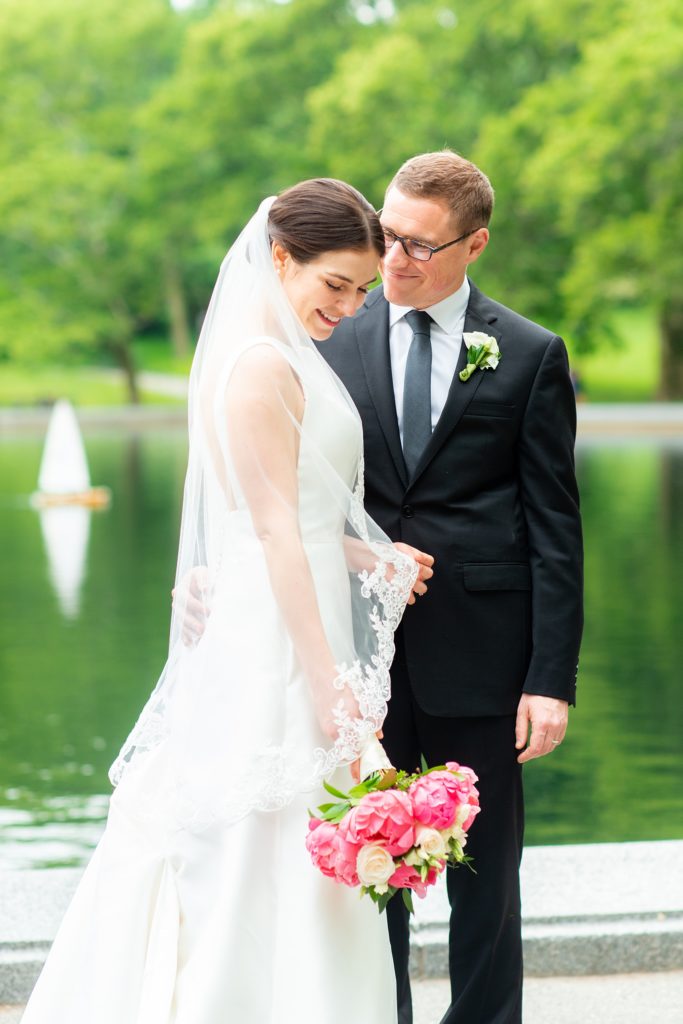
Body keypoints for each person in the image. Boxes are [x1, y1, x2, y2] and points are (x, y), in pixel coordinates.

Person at [20, 179, 429, 1024]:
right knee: (255, 836)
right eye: (334, 286)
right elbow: (273, 534)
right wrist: (325, 679)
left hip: (298, 600)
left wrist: (375, 557)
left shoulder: (290, 356)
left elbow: (294, 516)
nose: (350, 307)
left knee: (304, 831)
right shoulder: (255, 369)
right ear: (281, 259)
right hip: (275, 636)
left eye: (360, 290)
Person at [320, 150, 584, 1024]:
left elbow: (554, 528)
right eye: (386, 235)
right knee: (369, 869)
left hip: (485, 659)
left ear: (472, 246)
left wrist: (549, 679)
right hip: (360, 657)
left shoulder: (530, 355)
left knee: (486, 886)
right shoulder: (332, 338)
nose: (394, 259)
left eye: (418, 246)